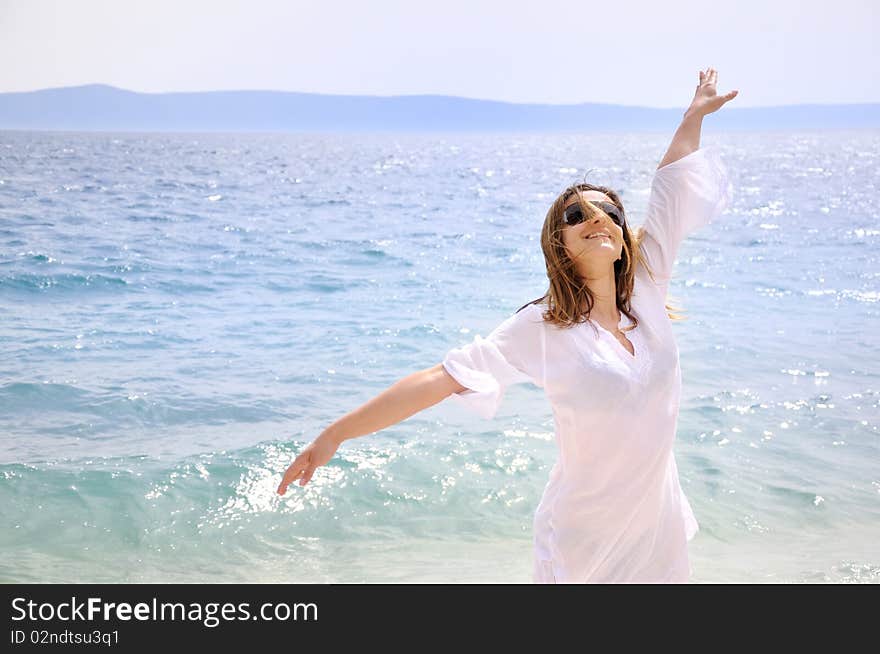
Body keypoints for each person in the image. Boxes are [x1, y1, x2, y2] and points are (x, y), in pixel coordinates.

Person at [277, 68, 738, 583]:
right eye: (575, 215)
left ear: (623, 233)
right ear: (558, 244)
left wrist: (691, 117)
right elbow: (442, 378)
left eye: (608, 210)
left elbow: (671, 183)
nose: (596, 218)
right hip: (583, 541)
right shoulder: (543, 327)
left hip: (656, 534)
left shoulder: (648, 289)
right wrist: (334, 435)